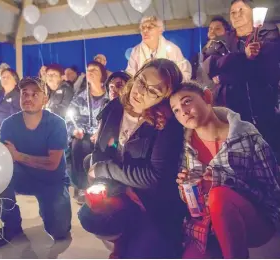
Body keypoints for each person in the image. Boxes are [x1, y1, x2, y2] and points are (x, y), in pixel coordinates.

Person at [78, 59, 186, 258]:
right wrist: (120, 187)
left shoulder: (166, 124)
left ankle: (131, 241)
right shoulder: (114, 108)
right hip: (121, 190)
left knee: (151, 251)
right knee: (89, 217)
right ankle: (123, 238)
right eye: (142, 82)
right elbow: (100, 150)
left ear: (165, 97)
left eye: (153, 91)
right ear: (136, 76)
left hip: (151, 203)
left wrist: (106, 169)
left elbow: (155, 178)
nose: (141, 92)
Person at [170, 81, 280, 258]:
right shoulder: (185, 146)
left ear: (207, 97)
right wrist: (186, 189)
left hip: (254, 221)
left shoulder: (247, 138)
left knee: (219, 195)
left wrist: (222, 181)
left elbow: (272, 192)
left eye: (187, 101)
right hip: (206, 227)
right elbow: (192, 204)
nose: (182, 111)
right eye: (175, 110)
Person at [0, 77, 71, 248]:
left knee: (60, 232)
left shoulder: (56, 124)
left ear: (45, 100)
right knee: (1, 180)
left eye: (35, 94)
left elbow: (52, 164)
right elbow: (4, 161)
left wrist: (18, 156)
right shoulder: (9, 124)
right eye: (25, 94)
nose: (28, 98)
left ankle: (49, 207)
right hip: (22, 176)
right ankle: (11, 225)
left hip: (52, 181)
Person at [202, 0, 280, 160]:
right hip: (233, 115)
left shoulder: (269, 36)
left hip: (265, 112)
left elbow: (268, 70)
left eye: (241, 10)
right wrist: (243, 56)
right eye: (233, 12)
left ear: (252, 13)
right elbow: (210, 66)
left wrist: (225, 75)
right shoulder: (220, 41)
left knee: (272, 160)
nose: (237, 15)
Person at [66, 61, 109, 204]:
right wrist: (74, 130)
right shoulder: (80, 98)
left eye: (94, 70)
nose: (90, 72)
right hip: (84, 133)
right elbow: (70, 119)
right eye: (88, 70)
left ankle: (104, 183)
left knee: (108, 147)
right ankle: (83, 186)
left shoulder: (109, 97)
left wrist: (101, 132)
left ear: (102, 75)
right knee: (79, 145)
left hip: (104, 134)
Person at [126, 16, 192, 80]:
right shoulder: (136, 51)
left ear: (160, 30)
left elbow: (184, 73)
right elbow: (130, 76)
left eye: (150, 27)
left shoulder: (173, 49)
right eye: (142, 28)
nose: (145, 31)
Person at [190, 16, 231, 86]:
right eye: (210, 29)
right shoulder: (203, 50)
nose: (212, 31)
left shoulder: (228, 49)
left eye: (217, 29)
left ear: (226, 32)